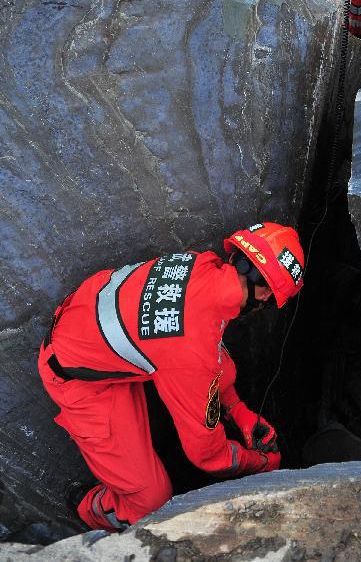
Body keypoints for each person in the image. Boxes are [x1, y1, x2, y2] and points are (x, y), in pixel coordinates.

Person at [38, 222, 304, 532]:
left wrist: (238, 411)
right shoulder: (192, 349)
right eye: (271, 301)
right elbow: (207, 456)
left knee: (212, 366)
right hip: (80, 379)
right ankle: (92, 509)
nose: (265, 308)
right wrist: (260, 463)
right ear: (266, 292)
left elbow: (207, 352)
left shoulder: (201, 264)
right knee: (151, 502)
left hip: (90, 322)